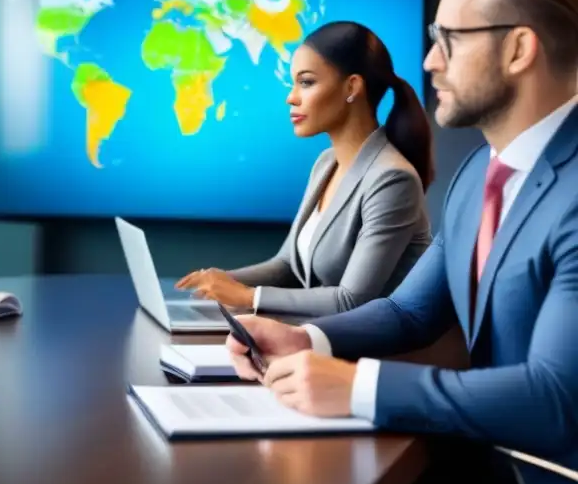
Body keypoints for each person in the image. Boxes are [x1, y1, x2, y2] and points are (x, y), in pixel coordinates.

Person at [226, 0, 578, 484]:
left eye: (450, 39)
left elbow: (554, 399)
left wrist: (358, 386)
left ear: (520, 48)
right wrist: (307, 340)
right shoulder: (480, 175)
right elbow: (410, 312)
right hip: (487, 463)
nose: (430, 62)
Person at [176, 21, 434, 317]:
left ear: (352, 87)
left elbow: (352, 300)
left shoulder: (392, 179)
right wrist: (221, 281)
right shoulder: (326, 163)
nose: (291, 96)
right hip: (321, 335)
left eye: (306, 82)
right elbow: (287, 266)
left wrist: (248, 296)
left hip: (377, 353)